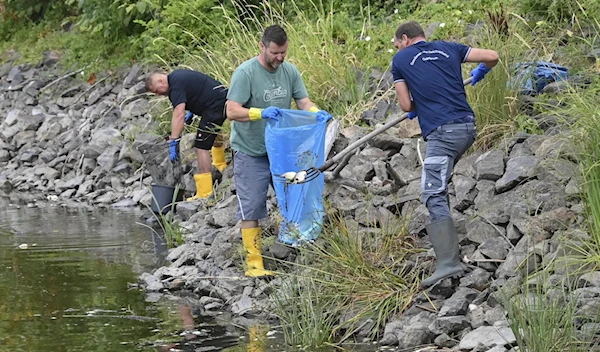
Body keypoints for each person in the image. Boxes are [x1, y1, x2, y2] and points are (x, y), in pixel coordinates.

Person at [390, 21, 499, 288]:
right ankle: (450, 251)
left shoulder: (400, 59)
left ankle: (449, 264)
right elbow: (493, 56)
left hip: (442, 135)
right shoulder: (448, 48)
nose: (396, 48)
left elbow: (405, 104)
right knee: (440, 182)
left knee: (432, 192)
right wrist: (482, 70)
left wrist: (417, 106)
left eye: (396, 43)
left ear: (404, 39)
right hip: (467, 128)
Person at [226, 24, 332, 277]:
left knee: (298, 195)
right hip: (251, 151)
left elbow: (303, 101)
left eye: (284, 52)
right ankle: (254, 265)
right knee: (252, 206)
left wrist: (317, 114)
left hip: (283, 151)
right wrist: (259, 113)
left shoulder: (289, 71)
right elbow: (231, 110)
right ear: (262, 46)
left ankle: (301, 250)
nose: (280, 58)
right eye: (275, 53)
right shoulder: (246, 73)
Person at [145, 69, 229, 201]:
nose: (158, 95)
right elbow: (197, 89)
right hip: (223, 98)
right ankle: (220, 164)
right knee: (211, 132)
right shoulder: (177, 76)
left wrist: (174, 141)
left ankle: (205, 192)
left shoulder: (174, 87)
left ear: (161, 81)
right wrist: (193, 110)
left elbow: (178, 114)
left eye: (156, 91)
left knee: (201, 146)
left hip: (215, 105)